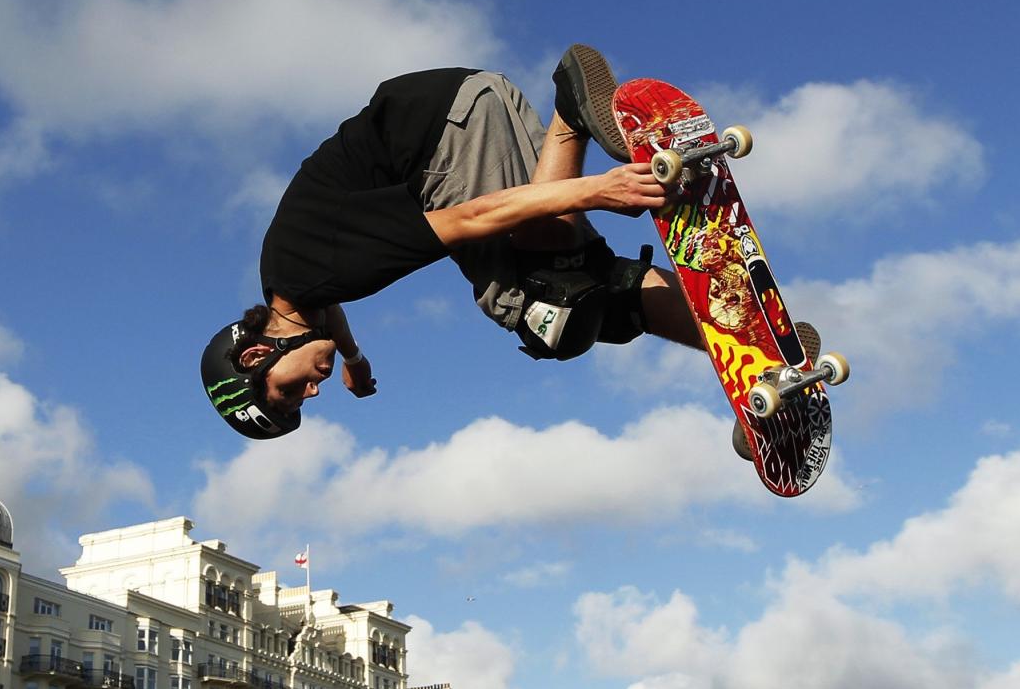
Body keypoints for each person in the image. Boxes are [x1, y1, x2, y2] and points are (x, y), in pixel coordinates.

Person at [201, 44, 703, 442]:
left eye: (291, 390)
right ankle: (763, 345)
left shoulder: (322, 269)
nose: (313, 389)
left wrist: (600, 189)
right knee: (598, 295)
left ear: (255, 356)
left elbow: (472, 217)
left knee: (540, 305)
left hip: (448, 131)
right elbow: (326, 306)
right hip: (464, 104)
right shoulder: (290, 283)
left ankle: (570, 118)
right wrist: (354, 359)